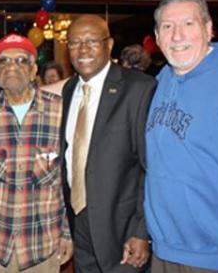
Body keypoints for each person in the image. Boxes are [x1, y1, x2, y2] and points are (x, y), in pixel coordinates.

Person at [145, 0, 218, 273]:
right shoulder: (162, 81)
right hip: (163, 252)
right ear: (157, 38)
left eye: (188, 24)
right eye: (168, 27)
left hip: (216, 259)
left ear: (208, 29)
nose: (177, 36)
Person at [0, 34, 73, 273]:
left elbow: (68, 179)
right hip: (0, 247)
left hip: (45, 246)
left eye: (20, 61)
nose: (11, 67)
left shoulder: (59, 112)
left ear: (34, 69)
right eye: (3, 61)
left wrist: (68, 234)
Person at [60, 15, 156, 272]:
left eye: (92, 41)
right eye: (74, 43)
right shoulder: (70, 90)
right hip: (79, 223)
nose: (83, 50)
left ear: (109, 44)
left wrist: (141, 230)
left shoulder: (138, 89)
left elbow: (152, 168)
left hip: (123, 231)